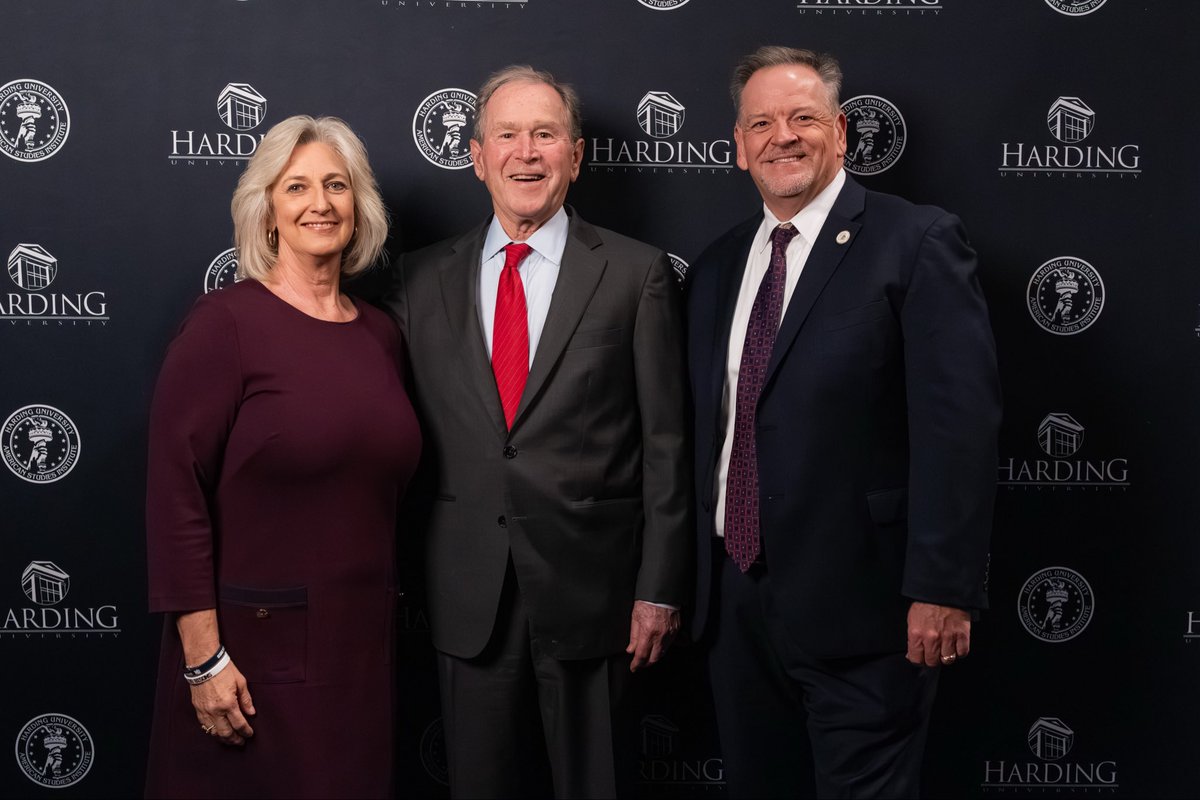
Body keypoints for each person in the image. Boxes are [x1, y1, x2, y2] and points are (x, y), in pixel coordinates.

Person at [685, 47, 1001, 798]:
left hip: (869, 606)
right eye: (760, 122)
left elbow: (958, 428)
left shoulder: (915, 241)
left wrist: (943, 587)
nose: (781, 137)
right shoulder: (718, 264)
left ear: (842, 130)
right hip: (737, 603)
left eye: (802, 118)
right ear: (737, 146)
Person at [384, 65, 690, 799]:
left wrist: (660, 589)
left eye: (546, 134)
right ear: (476, 154)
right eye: (508, 135)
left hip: (595, 595)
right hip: (464, 592)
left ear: (575, 156)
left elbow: (667, 446)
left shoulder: (634, 274)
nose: (527, 153)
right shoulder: (418, 280)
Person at [144, 115, 420, 799]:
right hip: (248, 662)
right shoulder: (225, 324)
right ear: (267, 210)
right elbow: (175, 492)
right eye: (296, 187)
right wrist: (203, 656)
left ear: (359, 207)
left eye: (336, 185)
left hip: (361, 653)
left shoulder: (381, 334)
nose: (319, 204)